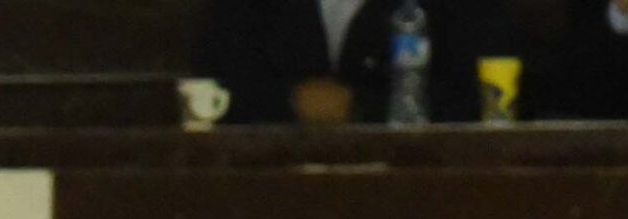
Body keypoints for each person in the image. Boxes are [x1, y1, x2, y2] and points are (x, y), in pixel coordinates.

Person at [195, 0, 512, 125]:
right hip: (267, 207)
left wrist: (360, 107)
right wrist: (289, 101)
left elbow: (482, 100)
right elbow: (212, 88)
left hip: (421, 206)